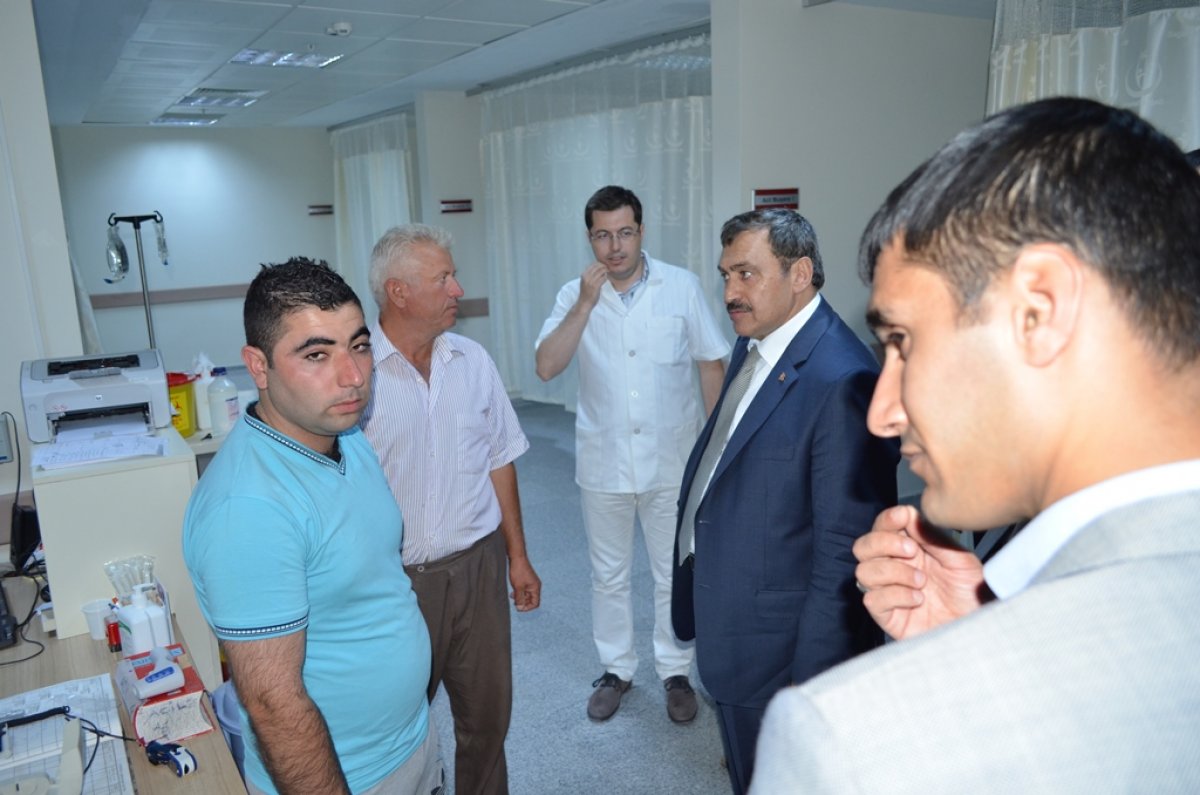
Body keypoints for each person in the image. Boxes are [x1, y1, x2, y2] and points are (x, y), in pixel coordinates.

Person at [750, 98, 1200, 793]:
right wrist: (982, 635)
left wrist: (965, 671)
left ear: (1040, 310)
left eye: (902, 341)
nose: (883, 413)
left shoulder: (844, 742)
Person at [183, 258, 440, 795]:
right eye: (316, 355)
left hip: (412, 740)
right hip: (350, 777)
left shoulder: (343, 435)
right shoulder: (248, 509)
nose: (353, 376)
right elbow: (272, 704)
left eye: (359, 346)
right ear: (258, 367)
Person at [672, 209, 899, 794]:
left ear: (799, 274)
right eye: (725, 275)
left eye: (746, 274)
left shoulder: (843, 379)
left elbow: (845, 554)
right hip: (735, 625)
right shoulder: (758, 343)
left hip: (780, 657)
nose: (730, 292)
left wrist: (812, 686)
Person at [535, 185, 730, 723]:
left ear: (641, 232)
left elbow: (711, 363)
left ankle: (675, 671)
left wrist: (716, 446)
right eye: (603, 235)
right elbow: (546, 366)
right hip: (604, 462)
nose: (615, 246)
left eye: (624, 233)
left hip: (673, 459)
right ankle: (617, 669)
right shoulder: (573, 296)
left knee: (672, 571)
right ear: (590, 238)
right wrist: (584, 304)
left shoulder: (681, 287)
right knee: (608, 575)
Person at [361, 224, 539, 795]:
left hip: (479, 566)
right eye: (443, 279)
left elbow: (500, 459)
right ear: (399, 292)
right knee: (396, 731)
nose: (458, 289)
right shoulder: (356, 377)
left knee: (487, 719)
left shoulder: (472, 360)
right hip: (397, 582)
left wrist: (517, 557)